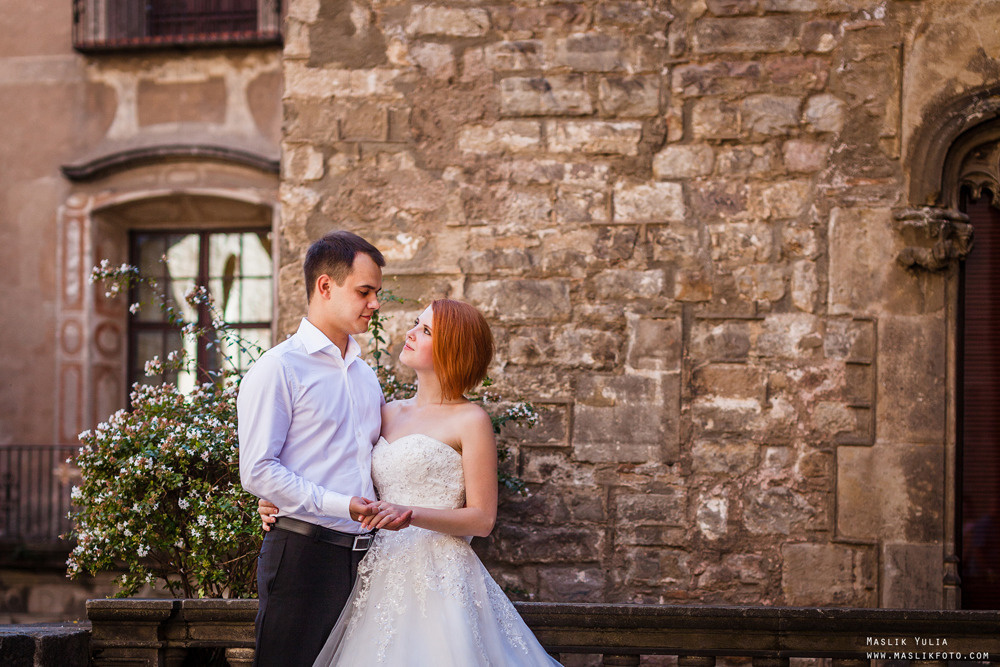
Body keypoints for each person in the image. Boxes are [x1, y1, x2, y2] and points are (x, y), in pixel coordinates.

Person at [259, 299, 561, 666]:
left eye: (426, 330)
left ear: (454, 347)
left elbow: (482, 519)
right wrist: (280, 499)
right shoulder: (386, 411)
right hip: (376, 568)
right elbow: (339, 468)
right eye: (417, 323)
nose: (411, 332)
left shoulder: (471, 420)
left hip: (441, 573)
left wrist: (411, 513)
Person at [238, 231, 411, 667]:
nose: (375, 303)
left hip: (368, 564)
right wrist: (339, 504)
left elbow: (370, 463)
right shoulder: (278, 369)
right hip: (302, 557)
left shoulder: (365, 377)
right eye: (364, 292)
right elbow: (257, 470)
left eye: (376, 293)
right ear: (325, 286)